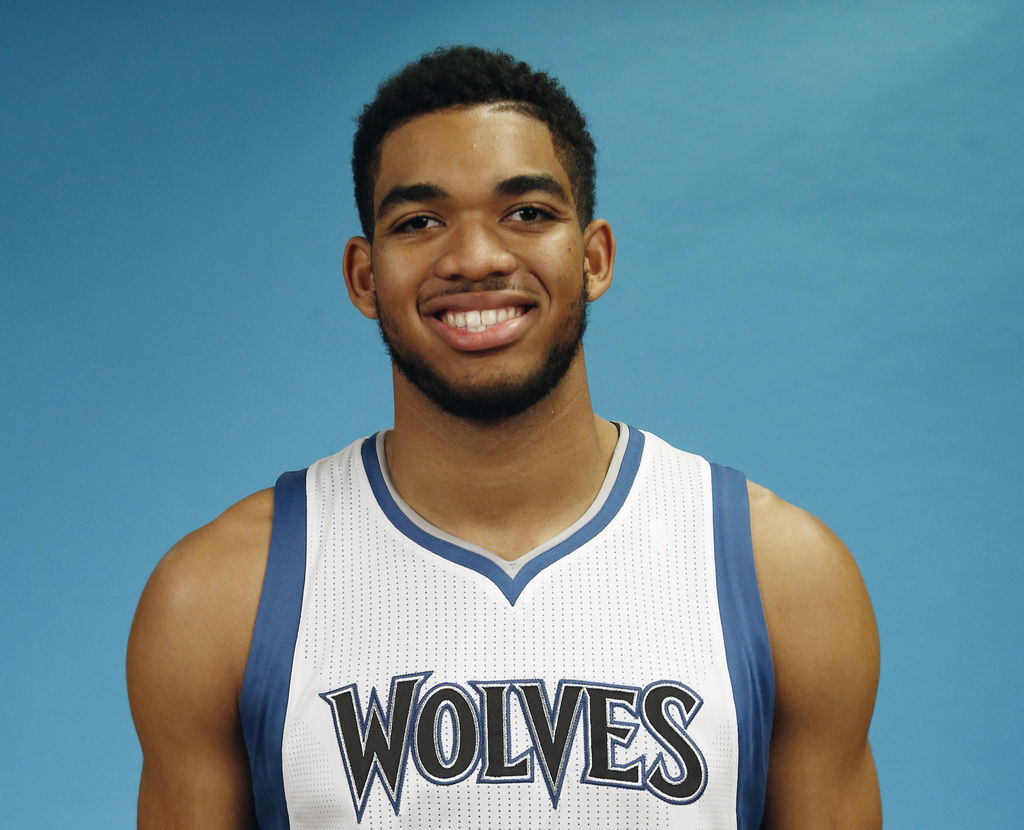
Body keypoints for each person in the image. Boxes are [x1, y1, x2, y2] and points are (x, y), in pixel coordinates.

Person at [127, 46, 881, 829]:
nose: (475, 258)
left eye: (527, 213)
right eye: (420, 222)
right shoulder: (221, 595)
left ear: (594, 258)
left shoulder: (781, 576)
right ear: (363, 277)